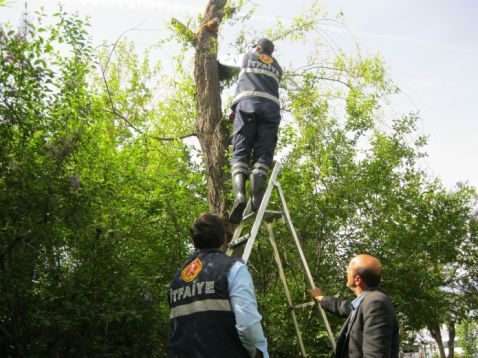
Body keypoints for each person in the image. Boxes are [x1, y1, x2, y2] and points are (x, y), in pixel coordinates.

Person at [167, 213, 269, 358]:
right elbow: (247, 326)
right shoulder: (234, 269)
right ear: (224, 239)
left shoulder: (177, 279)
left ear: (193, 240)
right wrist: (259, 354)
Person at [229, 38, 283, 224]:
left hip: (247, 107)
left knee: (240, 152)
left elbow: (223, 60)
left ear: (258, 47)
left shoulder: (247, 56)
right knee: (262, 156)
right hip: (271, 110)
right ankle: (256, 201)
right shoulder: (277, 67)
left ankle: (240, 197)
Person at [309, 254, 399, 358]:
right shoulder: (367, 301)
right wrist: (320, 298)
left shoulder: (376, 304)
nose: (346, 272)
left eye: (349, 269)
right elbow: (343, 307)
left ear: (357, 279)